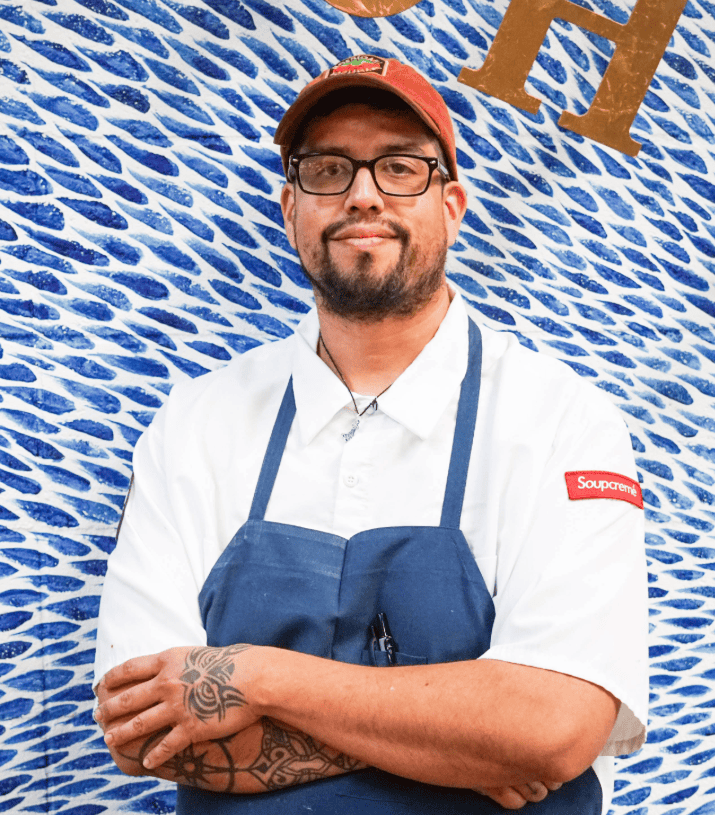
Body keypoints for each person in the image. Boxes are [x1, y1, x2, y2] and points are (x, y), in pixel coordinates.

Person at [92, 54, 648, 814]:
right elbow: (145, 730)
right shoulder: (193, 425)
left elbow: (553, 728)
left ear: (451, 203)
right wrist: (471, 738)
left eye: (398, 168)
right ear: (290, 207)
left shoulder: (562, 420)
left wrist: (255, 678)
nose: (361, 195)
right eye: (327, 169)